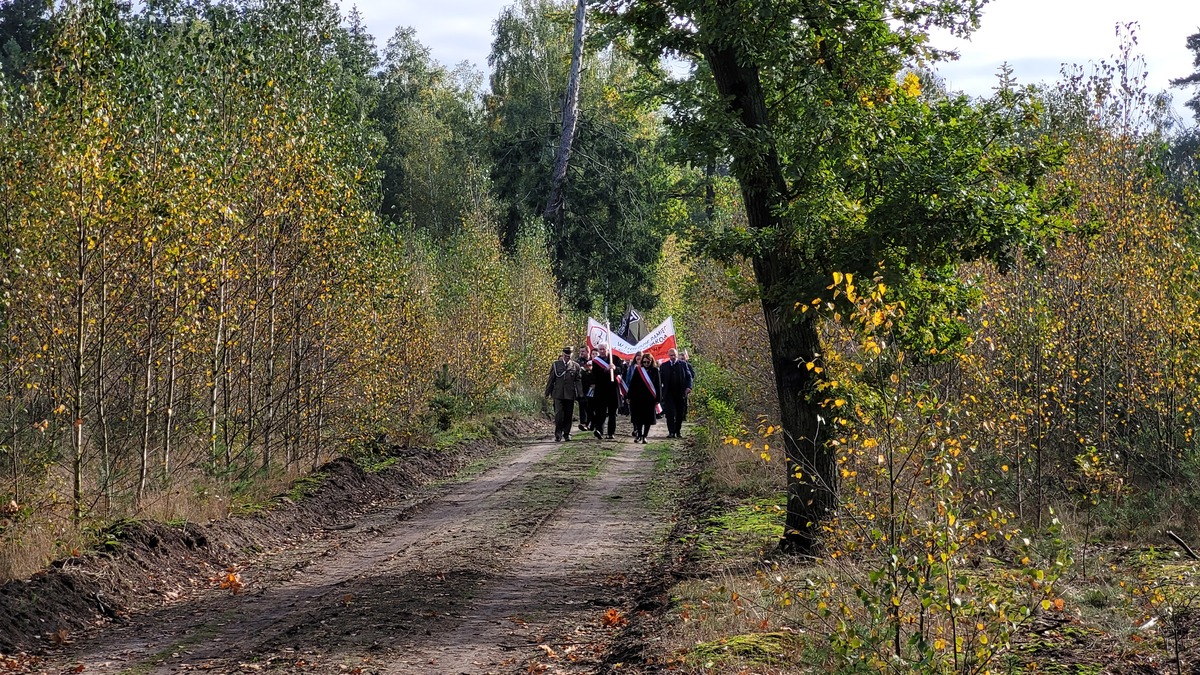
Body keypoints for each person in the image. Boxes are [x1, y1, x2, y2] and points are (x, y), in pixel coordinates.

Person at [544, 346, 582, 442]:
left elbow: (578, 381)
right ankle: (558, 433)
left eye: (568, 356)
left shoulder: (575, 366)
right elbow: (551, 379)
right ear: (562, 354)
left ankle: (567, 433)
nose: (567, 357)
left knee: (568, 415)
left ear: (571, 355)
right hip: (558, 394)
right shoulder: (556, 365)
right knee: (559, 415)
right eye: (565, 355)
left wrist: (580, 394)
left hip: (570, 394)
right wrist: (547, 392)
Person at [588, 342, 623, 439]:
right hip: (601, 390)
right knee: (600, 412)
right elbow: (595, 375)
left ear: (607, 349)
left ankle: (611, 433)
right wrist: (605, 370)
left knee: (612, 413)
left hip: (613, 389)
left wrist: (614, 368)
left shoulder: (615, 359)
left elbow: (621, 370)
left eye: (604, 349)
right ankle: (599, 430)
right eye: (600, 349)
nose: (602, 351)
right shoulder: (596, 361)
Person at [626, 352, 661, 443]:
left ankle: (645, 436)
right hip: (638, 398)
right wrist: (629, 396)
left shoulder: (655, 370)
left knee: (647, 419)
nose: (646, 364)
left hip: (649, 398)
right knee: (638, 418)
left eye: (648, 362)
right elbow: (633, 384)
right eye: (644, 362)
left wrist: (658, 399)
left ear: (651, 361)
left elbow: (658, 386)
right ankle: (639, 435)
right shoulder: (638, 370)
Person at [660, 347, 693, 438]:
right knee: (669, 414)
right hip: (668, 394)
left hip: (680, 393)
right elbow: (660, 380)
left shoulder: (683, 364)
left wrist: (689, 387)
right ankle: (671, 432)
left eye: (674, 355)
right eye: (671, 355)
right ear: (668, 356)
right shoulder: (664, 366)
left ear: (677, 355)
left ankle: (678, 431)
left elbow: (688, 376)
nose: (673, 357)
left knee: (680, 413)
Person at [576, 347, 592, 431]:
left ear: (588, 352)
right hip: (581, 386)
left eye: (583, 351)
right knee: (582, 404)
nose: (581, 353)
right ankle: (583, 423)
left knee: (590, 406)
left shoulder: (593, 360)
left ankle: (589, 422)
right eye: (580, 351)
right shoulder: (578, 361)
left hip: (592, 386)